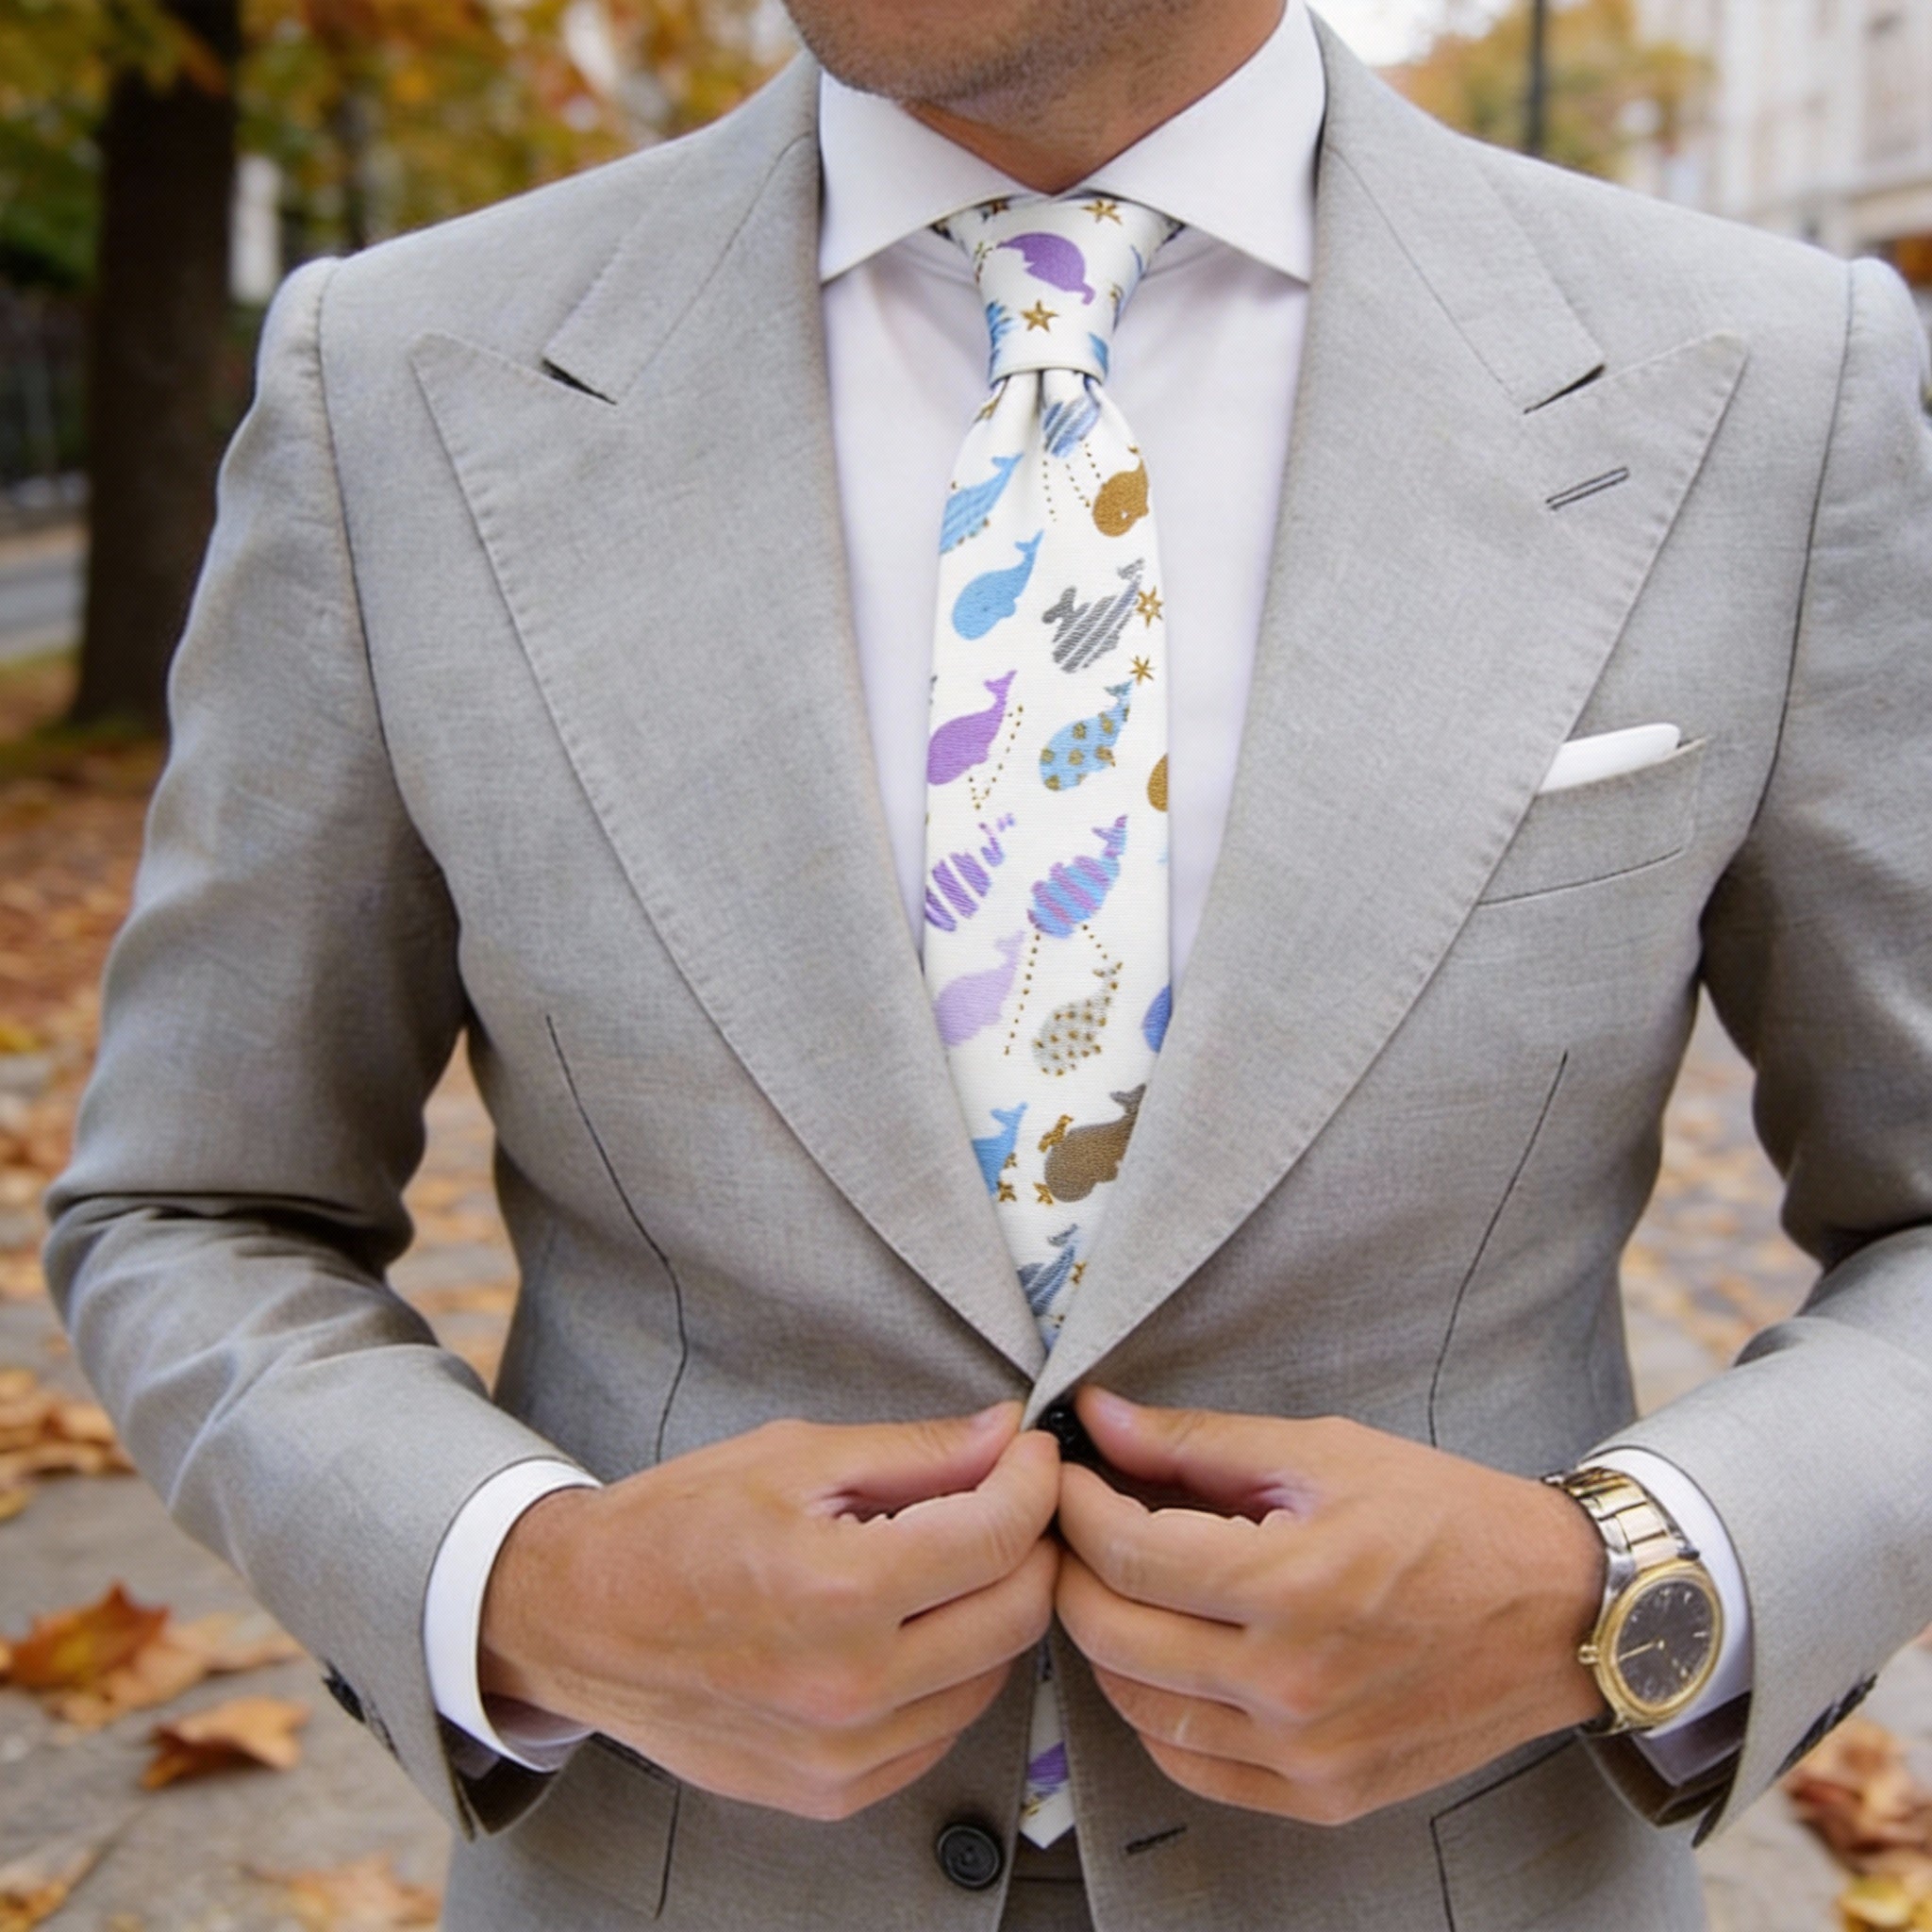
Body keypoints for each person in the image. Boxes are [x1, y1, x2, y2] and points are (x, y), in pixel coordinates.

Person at [44, 0, 1932, 1924]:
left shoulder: (1767, 383)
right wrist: (529, 1589)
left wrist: (1619, 1589)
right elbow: (198, 1203)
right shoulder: (398, 381)